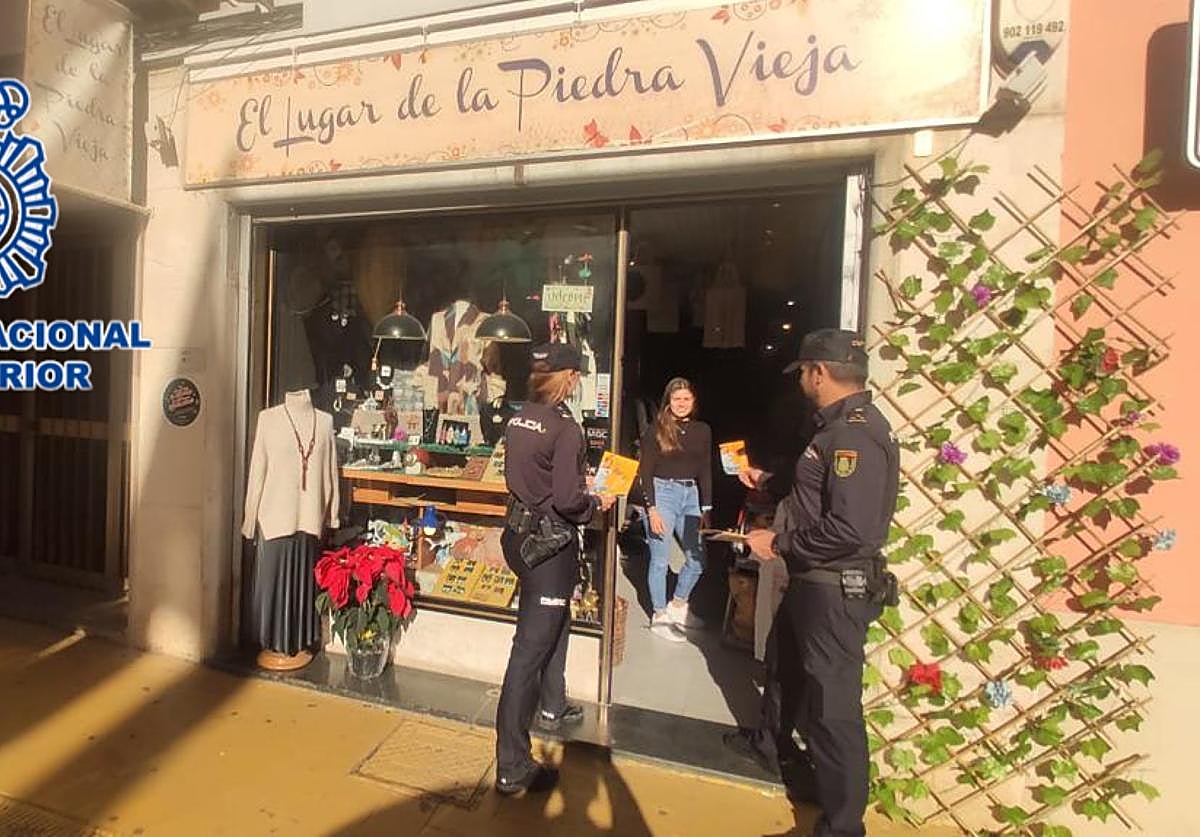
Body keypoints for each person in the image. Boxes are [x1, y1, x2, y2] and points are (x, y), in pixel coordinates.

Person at [726, 329, 899, 837]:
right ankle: (770, 745)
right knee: (784, 667)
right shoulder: (834, 430)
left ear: (819, 373)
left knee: (832, 707)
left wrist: (776, 544)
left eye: (802, 371)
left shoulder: (854, 436)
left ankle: (844, 826)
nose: (800, 379)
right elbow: (815, 488)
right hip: (813, 583)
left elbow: (851, 529)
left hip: (833, 588)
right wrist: (769, 479)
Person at [495, 342, 616, 796]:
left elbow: (538, 478)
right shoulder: (566, 429)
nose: (579, 383)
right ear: (567, 379)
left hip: (517, 537)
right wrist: (594, 500)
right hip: (549, 547)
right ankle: (511, 766)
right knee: (527, 653)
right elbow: (567, 500)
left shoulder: (519, 415)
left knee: (556, 621)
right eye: (578, 377)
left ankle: (553, 704)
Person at [636, 377, 713, 641]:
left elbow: (705, 468)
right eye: (676, 398)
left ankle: (678, 605)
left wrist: (706, 505)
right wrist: (652, 509)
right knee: (660, 558)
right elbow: (644, 471)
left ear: (694, 401)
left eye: (686, 399)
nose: (681, 403)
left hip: (691, 494)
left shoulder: (702, 430)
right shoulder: (655, 429)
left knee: (697, 559)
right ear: (668, 402)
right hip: (663, 492)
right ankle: (659, 614)